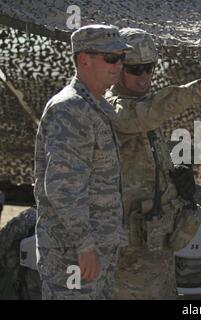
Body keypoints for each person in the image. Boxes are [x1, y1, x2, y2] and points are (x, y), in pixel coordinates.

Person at [105, 27, 201, 299]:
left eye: (149, 67)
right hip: (129, 252)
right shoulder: (116, 109)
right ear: (117, 67)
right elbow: (153, 110)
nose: (144, 76)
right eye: (135, 69)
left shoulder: (139, 108)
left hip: (155, 246)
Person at [34, 24, 131, 300]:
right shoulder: (71, 108)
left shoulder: (96, 106)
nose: (119, 65)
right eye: (111, 58)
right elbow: (63, 187)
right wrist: (85, 245)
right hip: (71, 253)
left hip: (96, 248)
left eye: (122, 57)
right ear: (84, 59)